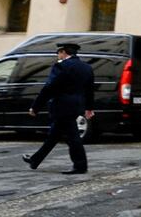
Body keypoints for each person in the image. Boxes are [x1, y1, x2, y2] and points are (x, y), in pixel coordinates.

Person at [21, 42, 95, 175]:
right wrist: (89, 108)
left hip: (62, 107)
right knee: (54, 135)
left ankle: (80, 166)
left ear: (63, 52)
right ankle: (35, 160)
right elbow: (89, 90)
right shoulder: (87, 68)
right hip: (76, 106)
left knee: (73, 138)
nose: (57, 55)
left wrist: (36, 106)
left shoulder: (61, 66)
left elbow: (49, 88)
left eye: (58, 53)